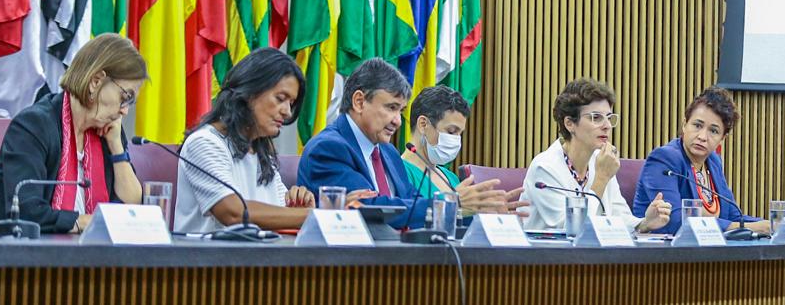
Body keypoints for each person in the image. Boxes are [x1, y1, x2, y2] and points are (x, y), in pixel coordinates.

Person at [298, 58, 516, 229]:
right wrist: (451, 203)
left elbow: (414, 204)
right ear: (359, 101)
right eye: (391, 108)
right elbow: (369, 210)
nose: (397, 121)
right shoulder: (329, 148)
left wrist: (480, 212)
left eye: (400, 111)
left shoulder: (387, 152)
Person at [173, 48, 373, 233]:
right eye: (280, 98)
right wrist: (323, 213)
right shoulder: (205, 142)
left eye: (291, 103)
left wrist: (296, 207)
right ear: (250, 91)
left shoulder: (261, 152)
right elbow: (233, 213)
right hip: (208, 259)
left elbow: (278, 215)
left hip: (258, 257)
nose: (287, 112)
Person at [0, 34, 147, 234]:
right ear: (96, 81)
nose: (125, 110)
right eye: (125, 97)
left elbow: (131, 209)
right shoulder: (32, 126)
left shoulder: (109, 131)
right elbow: (27, 212)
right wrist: (89, 222)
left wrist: (117, 148)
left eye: (130, 102)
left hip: (90, 250)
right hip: (23, 250)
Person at [521, 78, 671, 233]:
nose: (607, 126)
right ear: (569, 123)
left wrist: (644, 223)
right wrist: (601, 179)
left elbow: (620, 217)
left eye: (609, 118)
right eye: (596, 118)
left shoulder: (600, 160)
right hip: (546, 249)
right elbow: (573, 231)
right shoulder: (545, 168)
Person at [634, 87, 769, 234]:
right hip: (661, 246)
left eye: (713, 131)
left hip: (706, 246)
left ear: (722, 138)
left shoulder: (713, 162)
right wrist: (745, 228)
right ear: (684, 125)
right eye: (697, 125)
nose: (702, 137)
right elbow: (675, 220)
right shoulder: (664, 159)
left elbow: (733, 216)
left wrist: (771, 225)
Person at [402, 85, 524, 215]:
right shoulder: (400, 171)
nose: (456, 140)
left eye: (459, 133)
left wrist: (490, 215)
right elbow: (405, 217)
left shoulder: (450, 177)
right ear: (423, 124)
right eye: (451, 131)